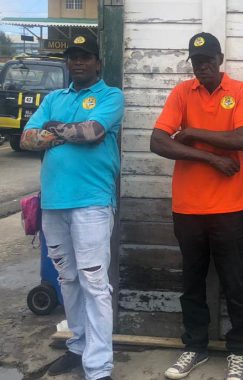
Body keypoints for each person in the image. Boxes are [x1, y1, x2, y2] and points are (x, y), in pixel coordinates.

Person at [150, 32, 243, 380]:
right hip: (188, 208)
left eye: (209, 60)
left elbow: (242, 139)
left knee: (235, 283)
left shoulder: (239, 91)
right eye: (197, 62)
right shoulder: (182, 92)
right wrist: (209, 157)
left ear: (220, 58)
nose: (203, 67)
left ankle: (239, 350)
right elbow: (158, 142)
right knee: (192, 283)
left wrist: (192, 131)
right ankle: (194, 347)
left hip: (228, 208)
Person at [20, 35, 124, 380]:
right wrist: (66, 132)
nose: (77, 62)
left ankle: (99, 366)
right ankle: (78, 346)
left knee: (94, 282)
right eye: (72, 57)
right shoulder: (53, 97)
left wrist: (53, 130)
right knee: (68, 278)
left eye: (84, 57)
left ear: (97, 62)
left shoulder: (110, 96)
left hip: (92, 204)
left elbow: (93, 131)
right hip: (53, 204)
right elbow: (26, 138)